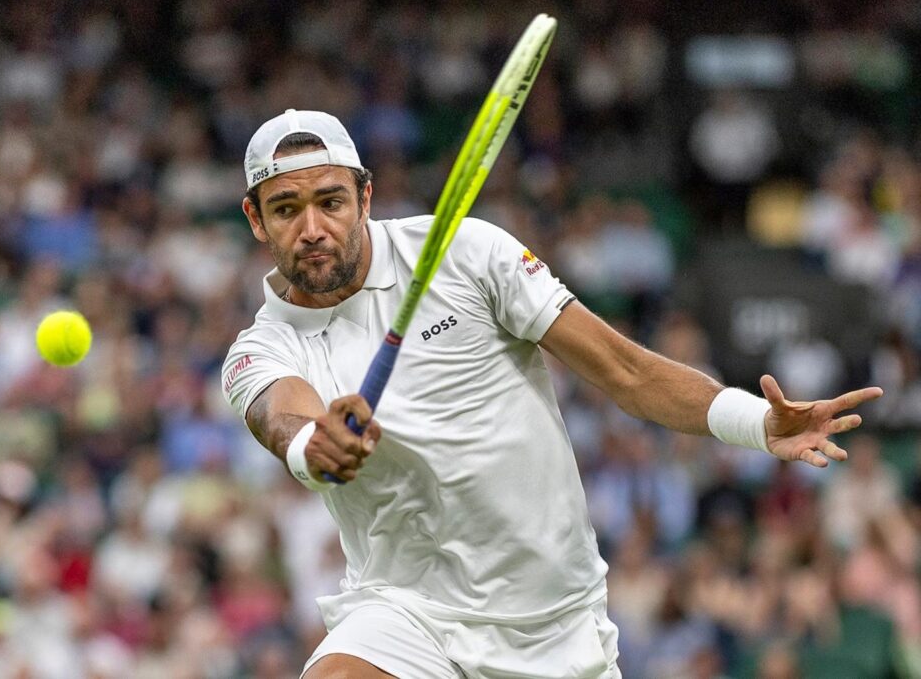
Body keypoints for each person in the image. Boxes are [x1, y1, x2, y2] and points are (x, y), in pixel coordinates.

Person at [222, 109, 883, 678]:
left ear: (365, 198)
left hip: (555, 627)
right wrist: (317, 447)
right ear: (256, 218)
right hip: (406, 615)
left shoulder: (468, 253)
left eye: (330, 202)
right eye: (286, 209)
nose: (311, 228)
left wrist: (757, 422)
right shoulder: (263, 347)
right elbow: (284, 420)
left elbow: (626, 370)